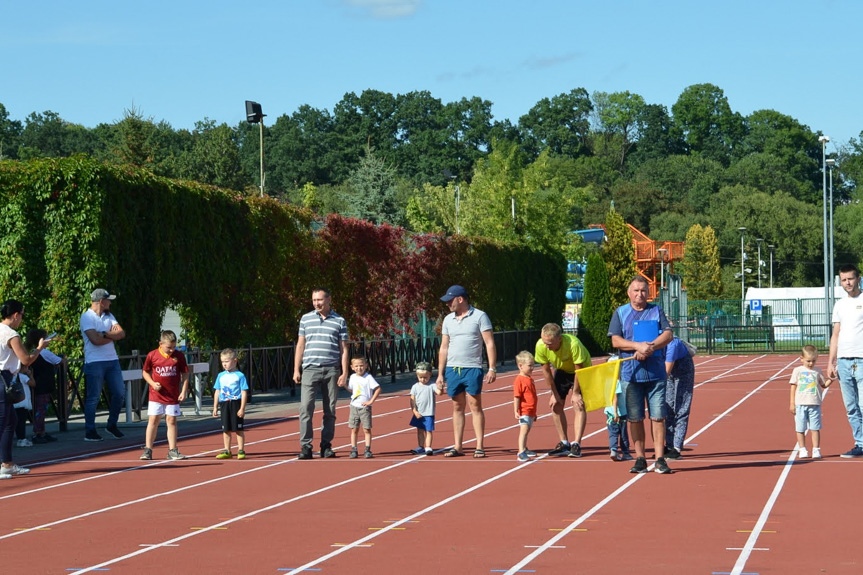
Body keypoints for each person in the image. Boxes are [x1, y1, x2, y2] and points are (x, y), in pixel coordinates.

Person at [608, 276, 674, 474]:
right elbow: (616, 341)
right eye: (636, 290)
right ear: (629, 293)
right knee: (635, 418)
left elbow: (668, 334)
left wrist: (650, 347)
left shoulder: (656, 311)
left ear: (649, 292)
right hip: (631, 376)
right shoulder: (620, 313)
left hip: (656, 375)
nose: (640, 294)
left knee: (658, 417)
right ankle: (640, 458)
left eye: (643, 290)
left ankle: (660, 459)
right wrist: (637, 346)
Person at [436, 285, 497, 458]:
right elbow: (444, 347)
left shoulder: (480, 316)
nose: (448, 304)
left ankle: (479, 445)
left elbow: (489, 343)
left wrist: (492, 368)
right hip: (453, 369)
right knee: (457, 406)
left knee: (475, 405)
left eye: (450, 300)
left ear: (460, 299)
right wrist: (440, 374)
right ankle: (458, 446)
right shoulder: (448, 320)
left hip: (473, 368)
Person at [293, 287, 349, 460]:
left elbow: (344, 348)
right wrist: (296, 369)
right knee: (305, 409)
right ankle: (306, 446)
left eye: (320, 300)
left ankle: (326, 445)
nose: (317, 303)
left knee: (330, 410)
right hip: (310, 368)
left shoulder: (339, 320)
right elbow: (300, 345)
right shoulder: (306, 319)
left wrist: (344, 372)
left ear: (329, 300)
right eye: (314, 300)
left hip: (331, 369)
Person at [0, 299, 50, 479]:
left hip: (4, 377)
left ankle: (7, 463)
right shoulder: (11, 334)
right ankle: (5, 464)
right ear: (15, 315)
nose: (21, 318)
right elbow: (26, 359)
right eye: (21, 314)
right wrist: (39, 348)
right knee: (4, 422)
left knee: (10, 421)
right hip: (4, 379)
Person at [534, 322, 592, 457]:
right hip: (562, 370)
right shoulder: (540, 346)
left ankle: (576, 444)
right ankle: (564, 442)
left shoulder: (573, 344)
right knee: (555, 405)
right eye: (544, 342)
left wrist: (576, 393)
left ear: (559, 338)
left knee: (578, 405)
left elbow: (580, 370)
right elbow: (547, 372)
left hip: (582, 371)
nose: (547, 346)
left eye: (550, 343)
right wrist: (554, 394)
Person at [80, 288, 126, 441]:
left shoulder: (109, 315)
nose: (110, 302)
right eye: (108, 300)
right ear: (101, 301)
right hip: (94, 362)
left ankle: (111, 425)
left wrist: (105, 334)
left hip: (112, 360)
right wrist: (112, 336)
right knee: (93, 397)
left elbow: (121, 333)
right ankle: (90, 430)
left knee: (119, 393)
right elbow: (95, 340)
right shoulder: (87, 317)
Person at [827, 264, 863, 458]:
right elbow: (835, 334)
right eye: (843, 280)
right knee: (851, 407)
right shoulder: (840, 304)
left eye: (850, 278)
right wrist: (831, 362)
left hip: (862, 359)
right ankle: (860, 443)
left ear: (858, 278)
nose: (847, 283)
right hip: (843, 361)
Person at [140, 330, 190, 461]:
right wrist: (152, 383)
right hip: (156, 395)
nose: (171, 350)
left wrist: (183, 391)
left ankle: (173, 450)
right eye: (169, 347)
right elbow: (145, 372)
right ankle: (148, 450)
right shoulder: (153, 355)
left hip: (172, 395)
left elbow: (185, 374)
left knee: (171, 421)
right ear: (161, 344)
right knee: (153, 420)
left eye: (174, 347)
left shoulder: (179, 356)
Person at [790, 345, 831, 459]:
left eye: (813, 361)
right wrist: (792, 403)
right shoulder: (797, 371)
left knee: (815, 428)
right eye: (808, 361)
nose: (810, 364)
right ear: (801, 359)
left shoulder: (817, 371)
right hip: (800, 404)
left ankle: (816, 449)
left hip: (814, 404)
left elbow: (824, 385)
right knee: (800, 428)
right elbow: (793, 387)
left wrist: (831, 379)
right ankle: (802, 449)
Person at [25, 329, 62, 444]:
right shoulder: (45, 353)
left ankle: (41, 432)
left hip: (36, 384)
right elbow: (59, 361)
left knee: (40, 409)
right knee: (41, 410)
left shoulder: (32, 352)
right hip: (44, 385)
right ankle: (38, 433)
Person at [339, 356, 381, 459]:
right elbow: (352, 390)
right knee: (354, 429)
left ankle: (367, 449)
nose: (359, 368)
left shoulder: (368, 377)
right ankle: (354, 449)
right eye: (356, 366)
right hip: (354, 407)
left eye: (361, 366)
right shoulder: (353, 377)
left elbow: (378, 388)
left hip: (364, 408)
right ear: (352, 367)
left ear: (366, 366)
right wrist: (344, 385)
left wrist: (371, 401)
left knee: (366, 429)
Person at [212, 348, 249, 460]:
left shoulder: (240, 376)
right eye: (223, 362)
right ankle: (227, 450)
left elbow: (244, 392)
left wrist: (242, 408)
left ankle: (241, 450)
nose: (224, 364)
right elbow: (217, 391)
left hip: (235, 403)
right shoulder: (220, 376)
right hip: (224, 404)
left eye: (227, 361)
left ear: (234, 361)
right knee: (226, 429)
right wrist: (215, 407)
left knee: (238, 429)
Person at [664, 336, 696, 460]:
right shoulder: (652, 342)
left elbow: (666, 371)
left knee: (681, 406)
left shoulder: (673, 344)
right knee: (668, 407)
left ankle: (676, 447)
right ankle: (669, 445)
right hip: (671, 371)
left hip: (684, 370)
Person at [409, 362, 443, 455]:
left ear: (430, 375)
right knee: (420, 431)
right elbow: (412, 400)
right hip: (419, 413)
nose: (423, 380)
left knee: (428, 431)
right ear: (417, 375)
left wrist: (441, 387)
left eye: (425, 377)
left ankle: (428, 446)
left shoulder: (432, 385)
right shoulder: (415, 387)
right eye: (421, 377)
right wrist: (414, 411)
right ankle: (420, 446)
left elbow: (439, 393)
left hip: (428, 413)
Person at [604, 358, 633, 462]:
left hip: (609, 413)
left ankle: (613, 450)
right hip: (620, 413)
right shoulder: (617, 383)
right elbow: (615, 398)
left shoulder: (607, 381)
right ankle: (625, 452)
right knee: (623, 433)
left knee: (612, 433)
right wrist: (616, 412)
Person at [513, 350, 539, 462]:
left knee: (527, 430)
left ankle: (525, 448)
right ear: (520, 366)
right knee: (523, 430)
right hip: (524, 411)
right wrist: (516, 411)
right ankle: (521, 452)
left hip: (530, 411)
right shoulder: (519, 380)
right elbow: (517, 396)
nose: (532, 368)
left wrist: (534, 412)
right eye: (530, 366)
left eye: (533, 365)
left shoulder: (529, 379)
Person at [13, 367, 34, 447]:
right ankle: (22, 439)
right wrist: (30, 375)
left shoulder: (13, 376)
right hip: (23, 402)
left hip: (15, 402)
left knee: (17, 422)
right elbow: (33, 383)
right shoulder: (23, 376)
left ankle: (19, 439)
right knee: (22, 422)